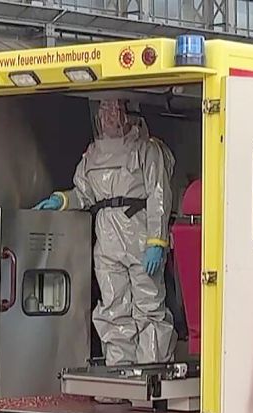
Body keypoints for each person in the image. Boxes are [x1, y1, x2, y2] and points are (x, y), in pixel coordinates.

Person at [34, 99, 176, 367]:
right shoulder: (93, 155)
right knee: (113, 309)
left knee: (149, 308)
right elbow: (84, 193)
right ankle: (120, 374)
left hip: (140, 236)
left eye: (115, 109)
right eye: (105, 109)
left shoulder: (147, 150)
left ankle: (151, 373)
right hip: (108, 240)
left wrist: (157, 240)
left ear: (129, 112)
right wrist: (61, 201)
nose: (110, 116)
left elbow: (159, 195)